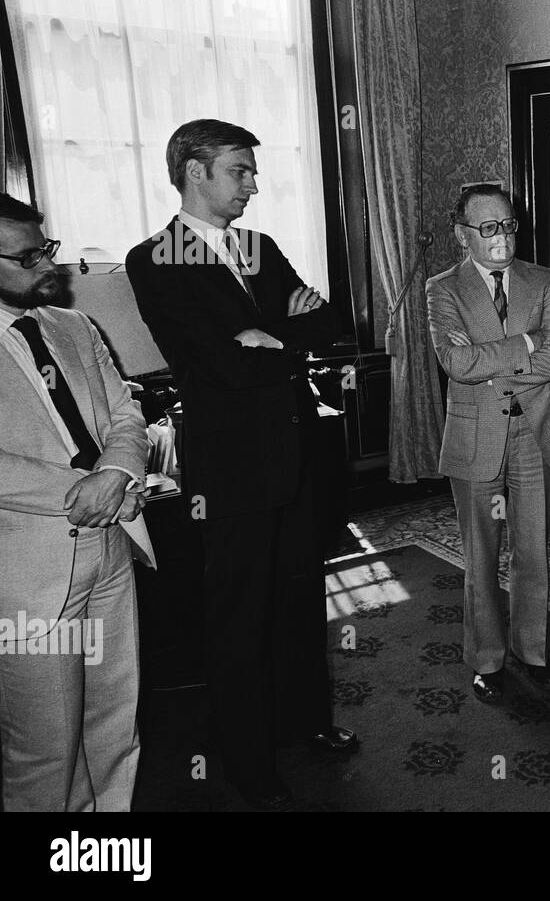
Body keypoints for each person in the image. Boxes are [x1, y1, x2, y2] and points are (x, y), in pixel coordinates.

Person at [126, 119, 352, 810]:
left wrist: (267, 336)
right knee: (238, 613)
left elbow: (329, 323)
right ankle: (248, 759)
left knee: (296, 596)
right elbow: (217, 361)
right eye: (239, 170)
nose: (253, 182)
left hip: (294, 449)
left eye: (252, 171)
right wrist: (276, 338)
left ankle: (305, 719)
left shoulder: (260, 247)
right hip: (229, 466)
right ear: (195, 172)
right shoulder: (152, 259)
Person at [0, 193, 151, 811]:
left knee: (115, 723)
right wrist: (79, 489)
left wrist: (114, 471)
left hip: (112, 544)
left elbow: (125, 412)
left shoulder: (75, 327)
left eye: (47, 249)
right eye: (28, 256)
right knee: (44, 747)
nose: (47, 266)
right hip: (26, 570)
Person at [427, 185, 550, 704]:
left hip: (537, 434)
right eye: (488, 228)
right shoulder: (442, 289)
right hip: (476, 439)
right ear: (462, 235)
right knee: (481, 556)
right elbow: (457, 363)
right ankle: (487, 660)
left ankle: (531, 652)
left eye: (508, 225)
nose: (502, 238)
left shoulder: (542, 279)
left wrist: (498, 359)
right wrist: (527, 343)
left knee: (534, 552)